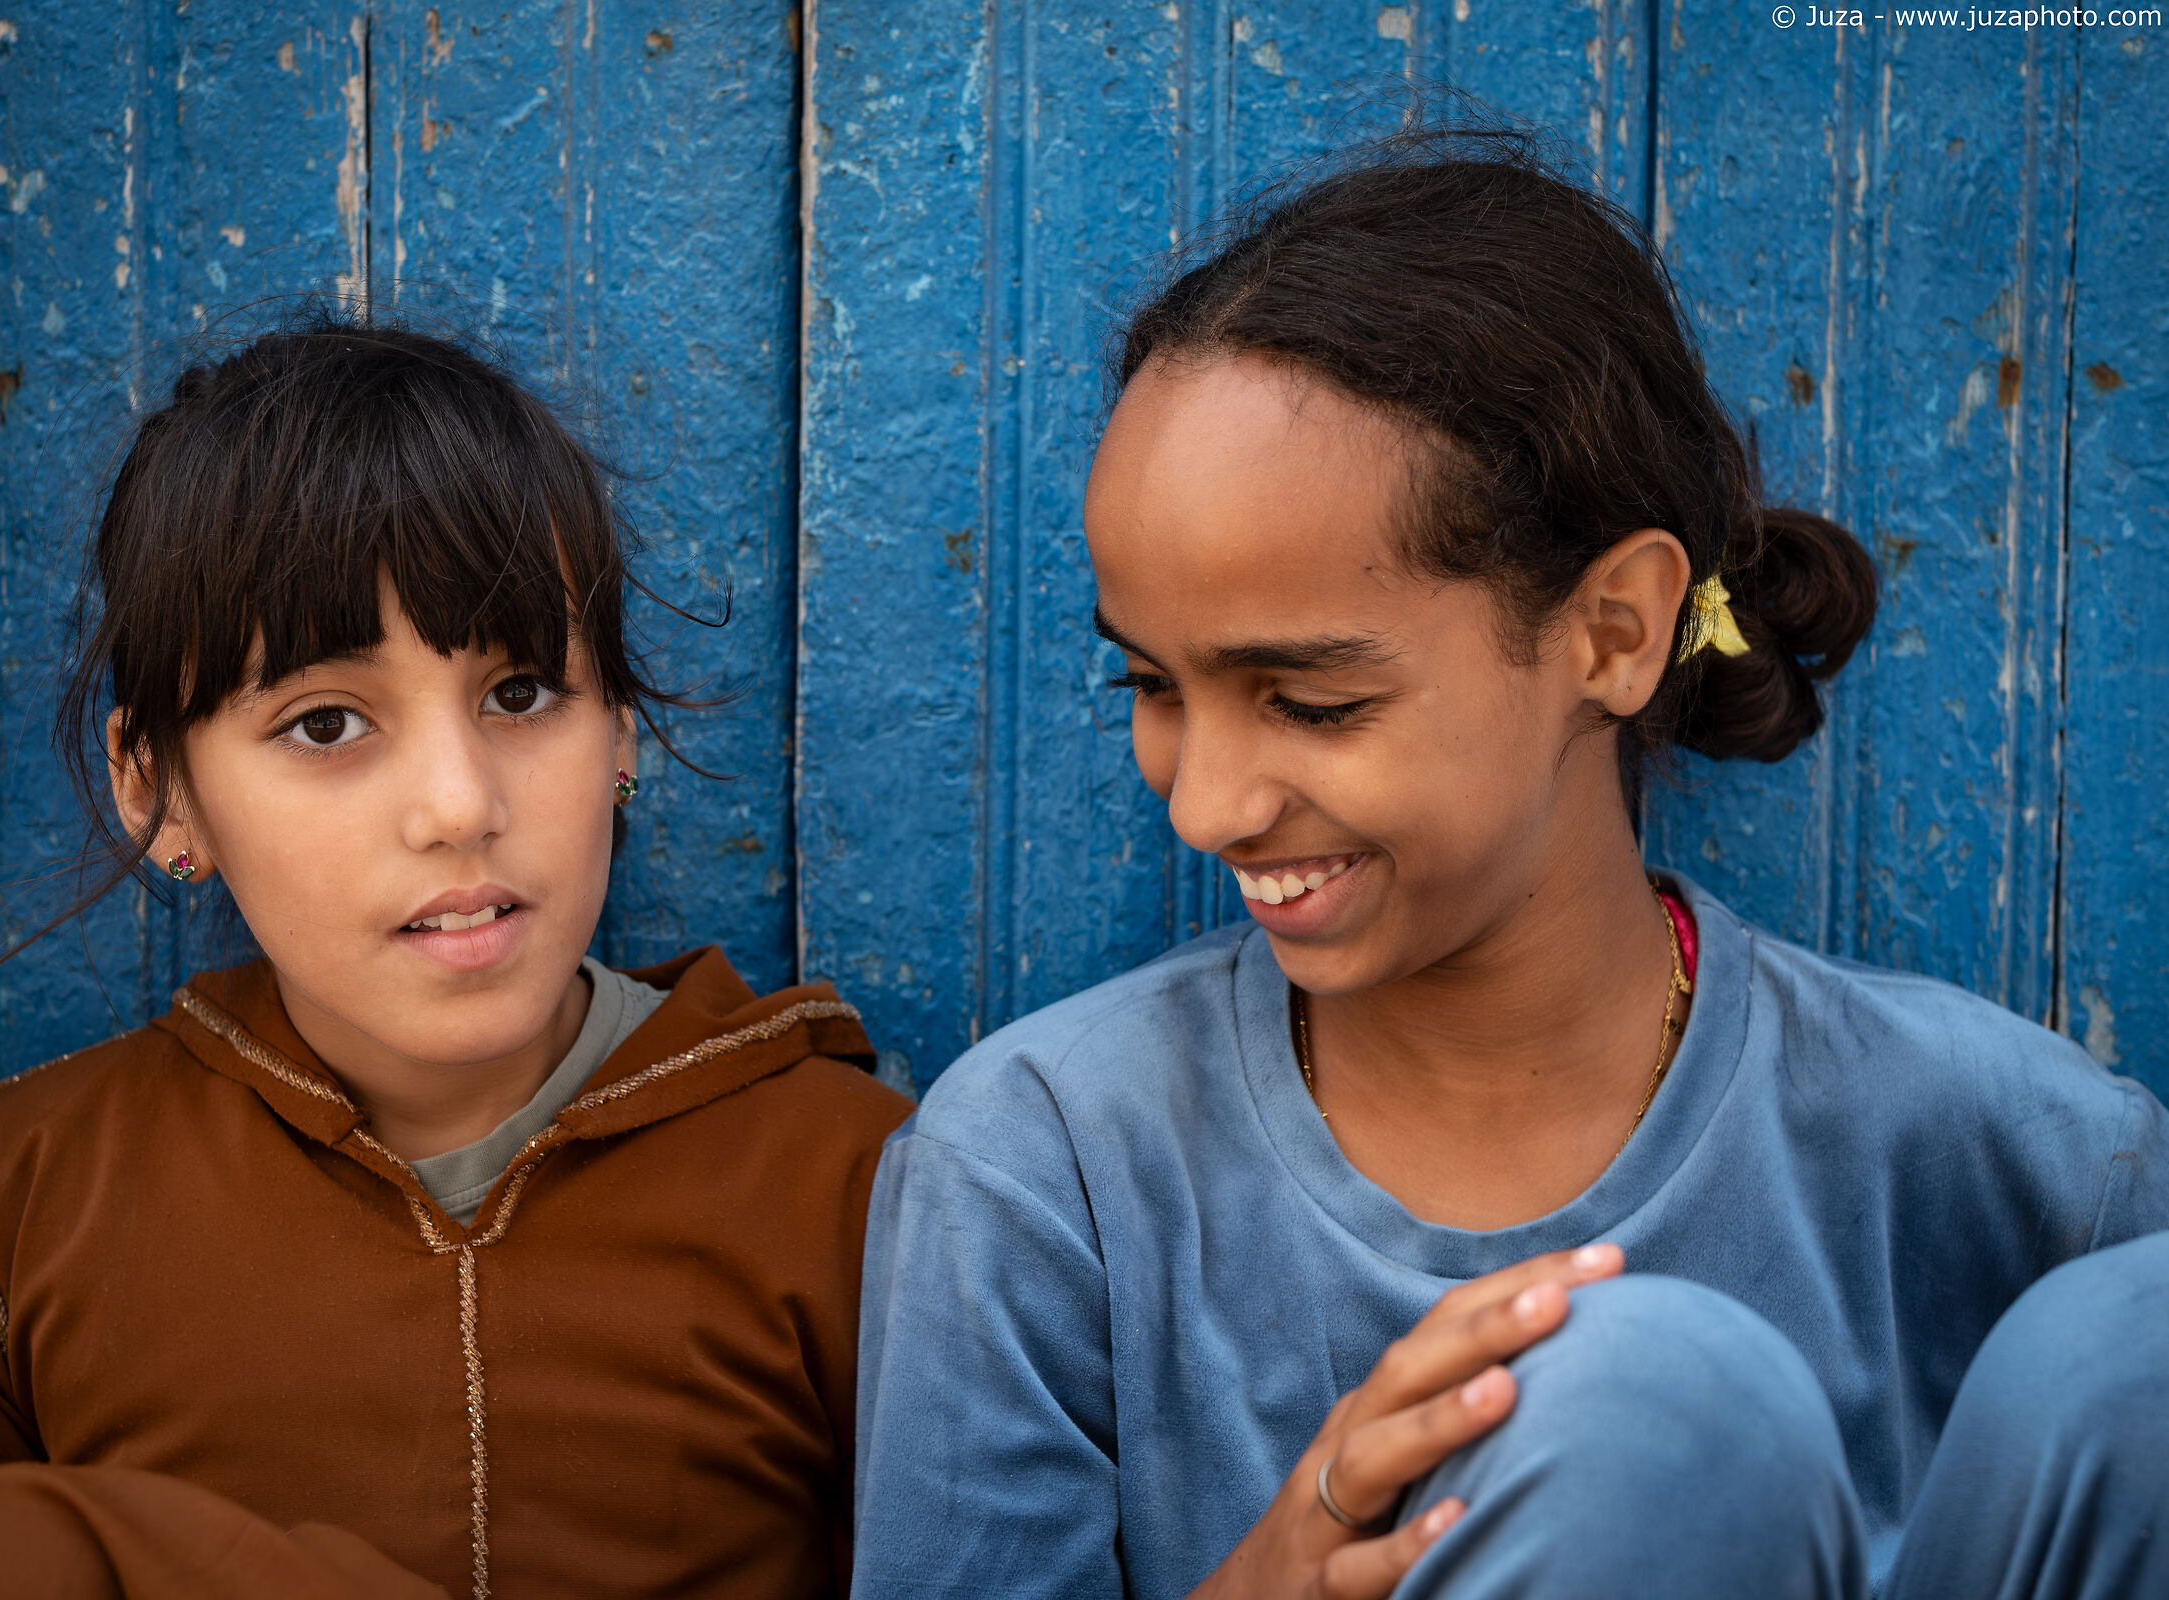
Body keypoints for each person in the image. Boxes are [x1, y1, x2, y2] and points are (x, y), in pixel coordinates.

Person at [851, 127, 2169, 1600]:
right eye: (1150, 687)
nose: (1204, 803)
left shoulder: (2034, 1165)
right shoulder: (1046, 1179)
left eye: (1313, 700)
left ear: (1613, 631)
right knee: (1633, 1409)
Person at [0, 320, 913, 1598]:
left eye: (521, 694)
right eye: (326, 721)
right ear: (158, 789)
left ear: (620, 729)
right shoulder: (16, 1204)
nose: (456, 805)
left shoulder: (856, 1183)